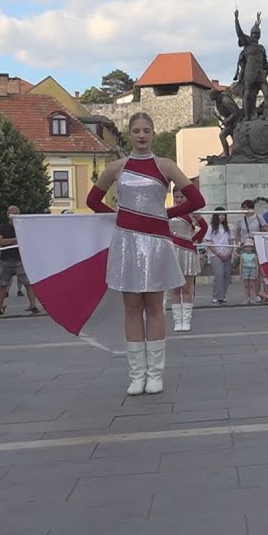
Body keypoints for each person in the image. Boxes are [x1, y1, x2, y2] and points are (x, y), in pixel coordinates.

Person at [87, 112, 205, 396]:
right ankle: (136, 375)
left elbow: (197, 199)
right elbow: (93, 200)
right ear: (130, 134)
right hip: (127, 242)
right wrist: (120, 217)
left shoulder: (165, 166)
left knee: (154, 306)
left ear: (153, 133)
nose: (141, 136)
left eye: (146, 131)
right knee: (131, 307)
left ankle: (155, 374)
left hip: (156, 243)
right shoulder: (116, 167)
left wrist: (164, 214)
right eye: (136, 131)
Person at [168, 187, 208, 332]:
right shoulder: (168, 211)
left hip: (187, 251)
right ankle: (177, 321)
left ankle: (186, 320)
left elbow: (204, 227)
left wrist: (193, 239)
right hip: (172, 252)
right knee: (174, 288)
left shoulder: (192, 212)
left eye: (181, 197)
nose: (179, 200)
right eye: (176, 197)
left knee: (186, 287)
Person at [0, 206, 39, 315]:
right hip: (6, 260)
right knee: (3, 284)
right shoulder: (3, 227)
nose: (9, 212)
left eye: (12, 210)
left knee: (28, 284)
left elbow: (28, 239)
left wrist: (11, 241)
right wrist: (15, 240)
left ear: (18, 213)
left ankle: (33, 306)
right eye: (8, 210)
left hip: (21, 260)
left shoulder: (23, 226)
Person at [203, 208, 234, 305]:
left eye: (224, 215)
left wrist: (229, 252)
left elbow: (232, 241)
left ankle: (222, 296)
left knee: (227, 276)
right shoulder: (211, 227)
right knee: (219, 274)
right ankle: (215, 296)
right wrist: (218, 253)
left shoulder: (228, 228)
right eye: (220, 214)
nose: (222, 216)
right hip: (215, 254)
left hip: (227, 254)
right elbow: (208, 242)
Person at [240, 239, 260, 303]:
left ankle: (252, 298)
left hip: (252, 269)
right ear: (245, 248)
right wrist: (240, 272)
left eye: (250, 247)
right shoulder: (242, 255)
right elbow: (241, 264)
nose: (248, 248)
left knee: (252, 285)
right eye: (247, 247)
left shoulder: (254, 255)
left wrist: (257, 271)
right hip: (245, 269)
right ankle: (247, 298)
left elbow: (256, 264)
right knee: (246, 285)